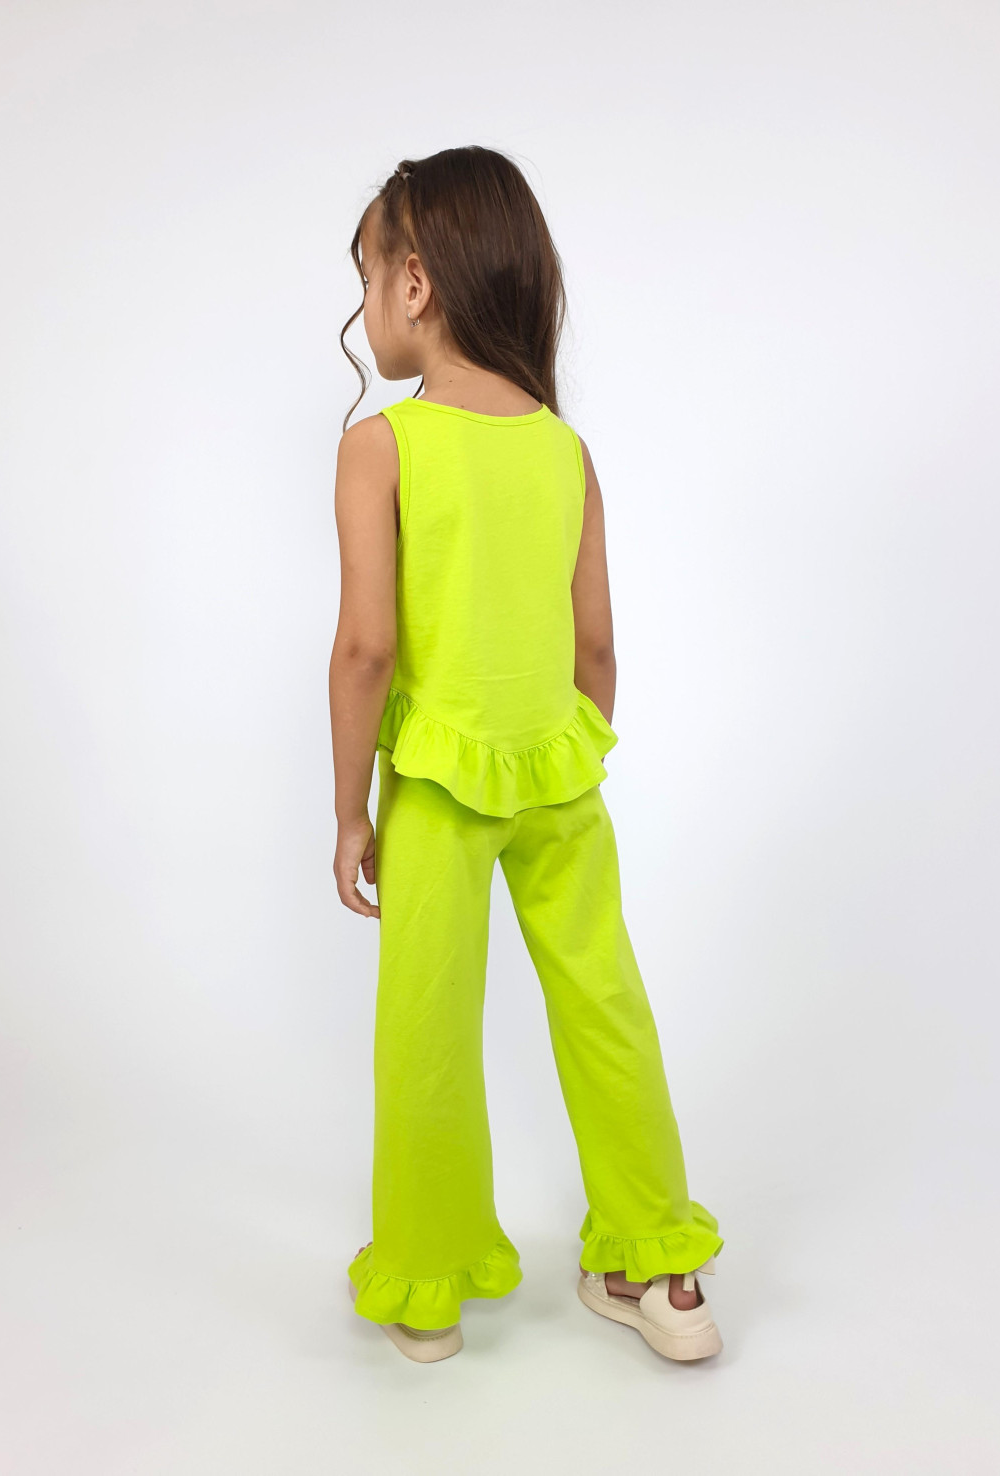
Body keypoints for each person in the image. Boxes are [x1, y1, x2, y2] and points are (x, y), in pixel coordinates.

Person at [329, 145, 725, 1365]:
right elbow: (595, 646)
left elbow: (367, 649)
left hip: (439, 786)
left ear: (414, 283)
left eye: (365, 278)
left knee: (428, 1025)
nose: (361, 309)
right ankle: (659, 1268)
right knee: (604, 1002)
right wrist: (569, 754)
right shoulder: (566, 451)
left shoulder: (383, 447)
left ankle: (428, 1288)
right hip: (559, 774)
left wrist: (351, 812)